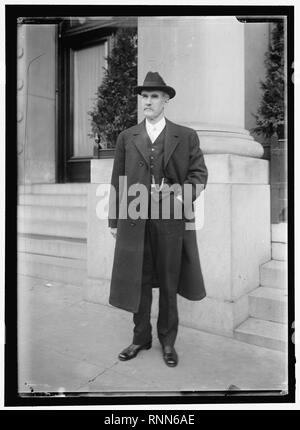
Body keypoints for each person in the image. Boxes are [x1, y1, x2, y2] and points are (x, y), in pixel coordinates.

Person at [108, 71, 208, 367]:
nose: (147, 102)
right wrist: (114, 221)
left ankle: (167, 341)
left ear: (165, 101)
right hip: (135, 220)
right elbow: (117, 179)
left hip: (171, 221)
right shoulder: (127, 136)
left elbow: (199, 175)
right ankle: (141, 338)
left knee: (168, 279)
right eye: (145, 97)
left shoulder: (185, 135)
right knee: (138, 279)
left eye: (154, 97)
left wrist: (177, 196)